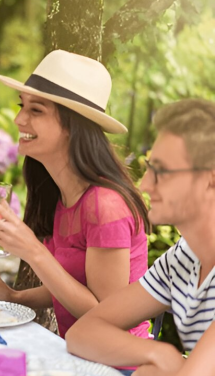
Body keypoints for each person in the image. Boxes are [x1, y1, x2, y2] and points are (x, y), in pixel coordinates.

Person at [0, 50, 152, 368]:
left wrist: (33, 251)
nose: (19, 120)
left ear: (72, 124)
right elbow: (70, 285)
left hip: (119, 367)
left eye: (36, 110)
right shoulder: (61, 193)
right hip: (79, 356)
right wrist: (13, 296)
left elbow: (106, 315)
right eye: (21, 106)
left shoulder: (105, 205)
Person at [66, 99, 215, 376]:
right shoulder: (183, 258)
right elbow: (82, 333)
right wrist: (157, 352)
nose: (145, 184)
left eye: (161, 171)